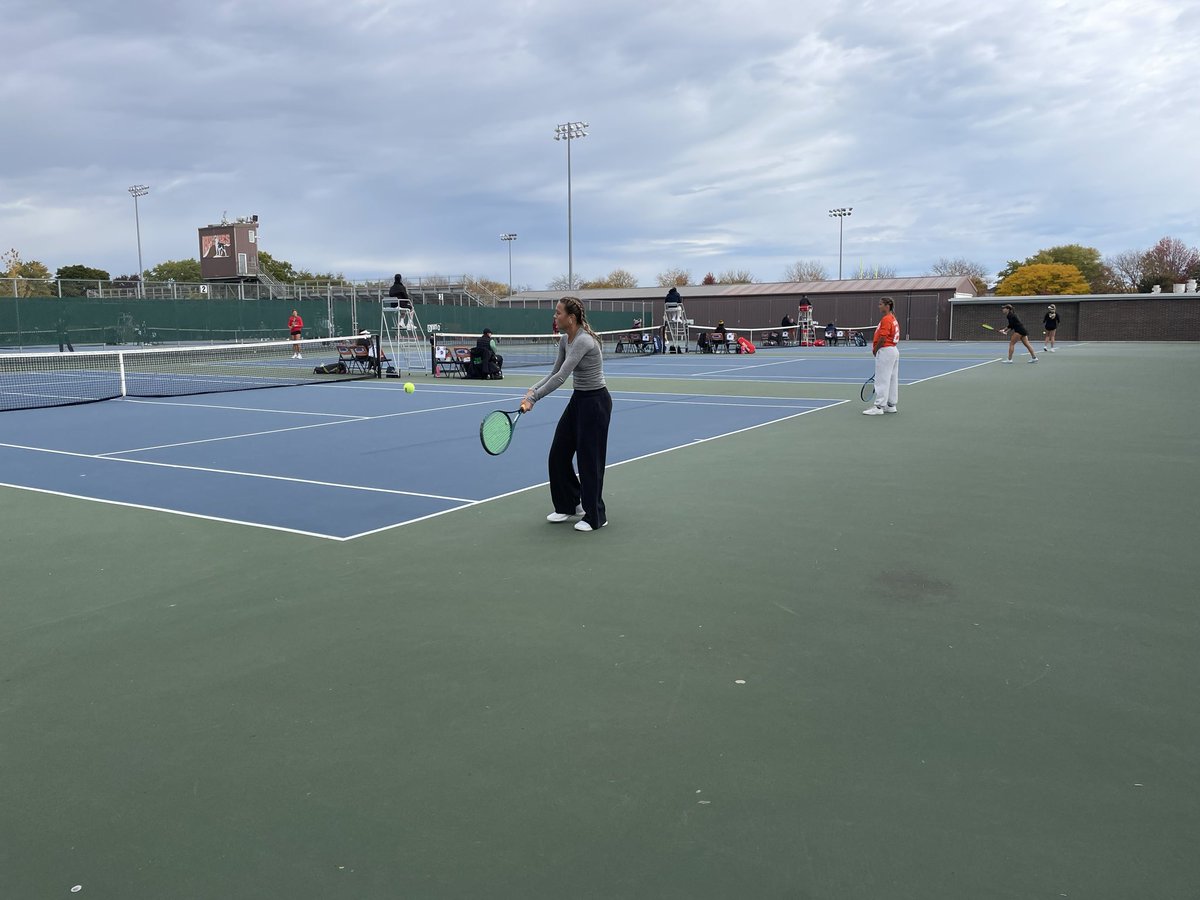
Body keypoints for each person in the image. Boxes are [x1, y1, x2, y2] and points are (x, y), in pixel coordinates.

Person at [520, 296, 612, 533]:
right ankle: (570, 504)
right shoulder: (565, 339)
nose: (555, 316)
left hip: (595, 402)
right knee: (558, 453)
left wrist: (533, 399)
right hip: (579, 401)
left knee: (589, 461)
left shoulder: (583, 341)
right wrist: (533, 388)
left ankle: (595, 516)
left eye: (558, 313)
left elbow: (562, 378)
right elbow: (554, 372)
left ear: (571, 318)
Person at [863, 296, 900, 415]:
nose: (878, 306)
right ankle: (891, 404)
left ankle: (879, 407)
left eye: (880, 304)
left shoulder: (886, 319)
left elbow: (883, 337)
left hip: (886, 351)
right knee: (892, 378)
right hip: (893, 350)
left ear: (887, 306)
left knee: (882, 379)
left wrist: (875, 349)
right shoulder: (892, 318)